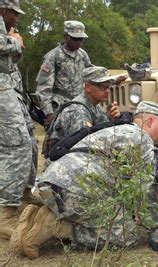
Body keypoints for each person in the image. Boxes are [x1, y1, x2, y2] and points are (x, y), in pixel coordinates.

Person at [11, 101, 158, 259]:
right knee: (125, 234)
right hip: (74, 190)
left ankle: (39, 216)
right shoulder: (142, 140)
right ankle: (54, 225)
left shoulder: (117, 130)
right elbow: (145, 190)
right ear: (150, 121)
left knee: (118, 216)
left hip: (54, 184)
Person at [0, 0, 34, 240]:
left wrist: (13, 44)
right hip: (2, 91)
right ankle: (6, 214)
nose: (17, 19)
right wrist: (14, 42)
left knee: (29, 140)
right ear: (4, 11)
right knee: (16, 146)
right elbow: (7, 47)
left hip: (10, 89)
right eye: (15, 14)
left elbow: (11, 59)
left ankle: (23, 191)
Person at [44, 66, 124, 156]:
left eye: (108, 87)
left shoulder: (95, 106)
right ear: (88, 87)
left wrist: (112, 119)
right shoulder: (77, 111)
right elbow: (84, 146)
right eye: (102, 87)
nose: (107, 91)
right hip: (64, 164)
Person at [35, 20, 93, 127]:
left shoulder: (82, 55)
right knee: (58, 140)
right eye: (75, 38)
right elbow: (43, 88)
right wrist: (49, 113)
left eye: (81, 39)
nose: (78, 42)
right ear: (66, 37)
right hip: (60, 108)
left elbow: (93, 75)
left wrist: (112, 80)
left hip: (80, 106)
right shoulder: (53, 56)